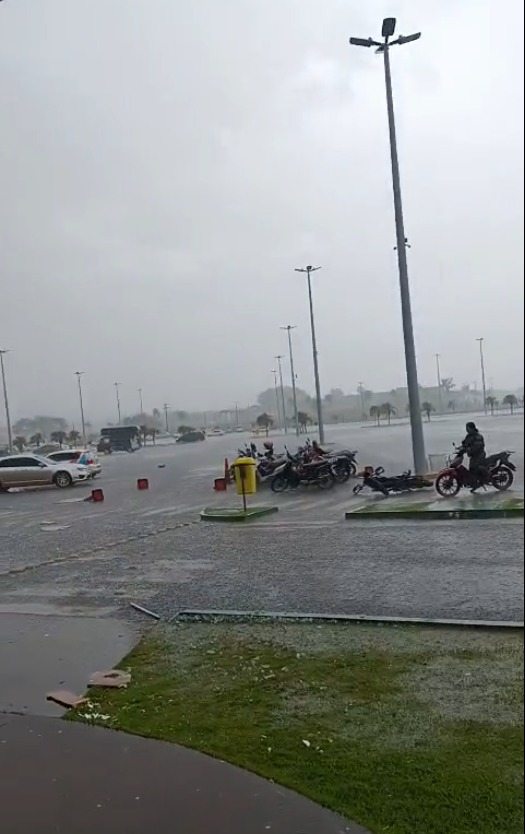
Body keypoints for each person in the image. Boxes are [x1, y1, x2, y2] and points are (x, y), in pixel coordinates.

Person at [462, 422, 486, 492]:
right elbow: (465, 443)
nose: (466, 430)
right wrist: (460, 448)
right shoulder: (468, 436)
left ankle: (479, 482)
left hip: (479, 455)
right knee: (471, 469)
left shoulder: (478, 436)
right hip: (473, 455)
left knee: (474, 468)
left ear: (472, 428)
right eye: (466, 428)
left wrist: (470, 449)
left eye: (467, 428)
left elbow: (477, 446)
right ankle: (474, 483)